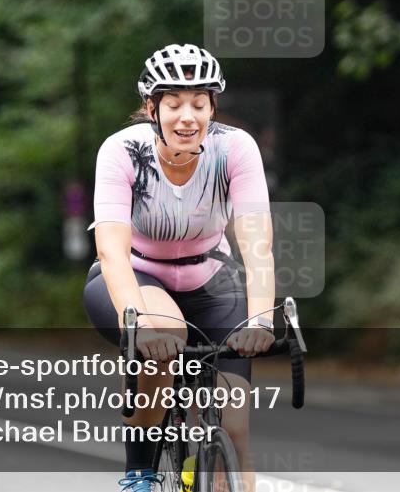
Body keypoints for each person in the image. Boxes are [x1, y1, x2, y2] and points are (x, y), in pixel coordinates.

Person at [83, 44, 275, 492]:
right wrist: (141, 325)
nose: (187, 116)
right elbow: (111, 251)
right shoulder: (122, 151)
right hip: (136, 274)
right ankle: (141, 474)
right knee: (165, 334)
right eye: (173, 104)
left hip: (210, 277)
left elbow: (257, 245)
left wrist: (261, 319)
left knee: (235, 428)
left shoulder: (234, 149)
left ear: (213, 108)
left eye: (199, 103)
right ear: (152, 108)